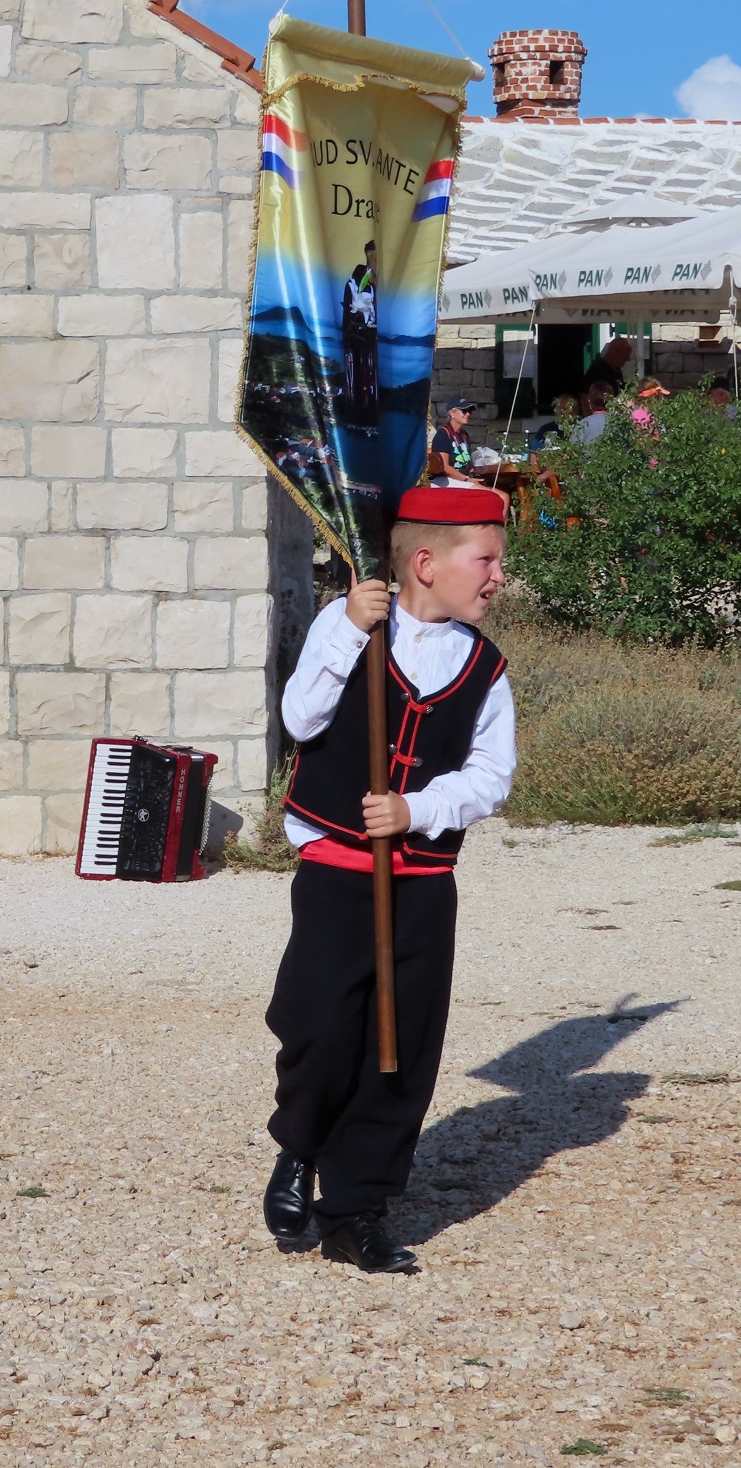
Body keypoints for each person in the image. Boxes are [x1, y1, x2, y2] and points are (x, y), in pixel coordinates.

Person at [262, 484, 516, 1271]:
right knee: (319, 1025)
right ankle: (300, 1147)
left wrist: (417, 808)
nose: (499, 576)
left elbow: (491, 776)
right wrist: (347, 628)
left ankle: (356, 1208)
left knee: (400, 1044)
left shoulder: (485, 667)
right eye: (487, 560)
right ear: (426, 562)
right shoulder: (349, 628)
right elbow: (300, 718)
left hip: (422, 882)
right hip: (337, 872)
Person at [341, 241, 378, 418]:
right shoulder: (354, 284)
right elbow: (349, 313)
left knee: (373, 373)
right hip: (358, 337)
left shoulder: (379, 283)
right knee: (359, 372)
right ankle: (358, 407)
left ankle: (372, 407)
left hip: (374, 338)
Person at [429, 399, 476, 481]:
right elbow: (445, 467)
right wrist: (467, 479)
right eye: (464, 411)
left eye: (469, 411)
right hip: (446, 479)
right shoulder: (443, 434)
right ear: (452, 413)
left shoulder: (464, 435)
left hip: (464, 478)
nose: (468, 414)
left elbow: (468, 463)